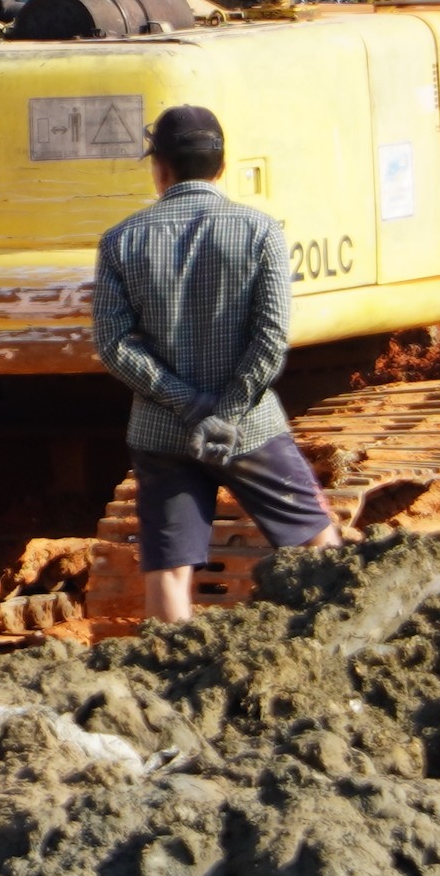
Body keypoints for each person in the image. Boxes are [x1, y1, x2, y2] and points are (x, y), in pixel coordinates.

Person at [91, 105, 340, 622]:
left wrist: (190, 405)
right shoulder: (261, 230)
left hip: (163, 433)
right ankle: (340, 642)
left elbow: (114, 345)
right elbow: (270, 338)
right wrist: (224, 412)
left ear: (158, 169)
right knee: (318, 539)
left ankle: (171, 677)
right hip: (250, 428)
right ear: (222, 168)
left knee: (169, 567)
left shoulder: (120, 241)